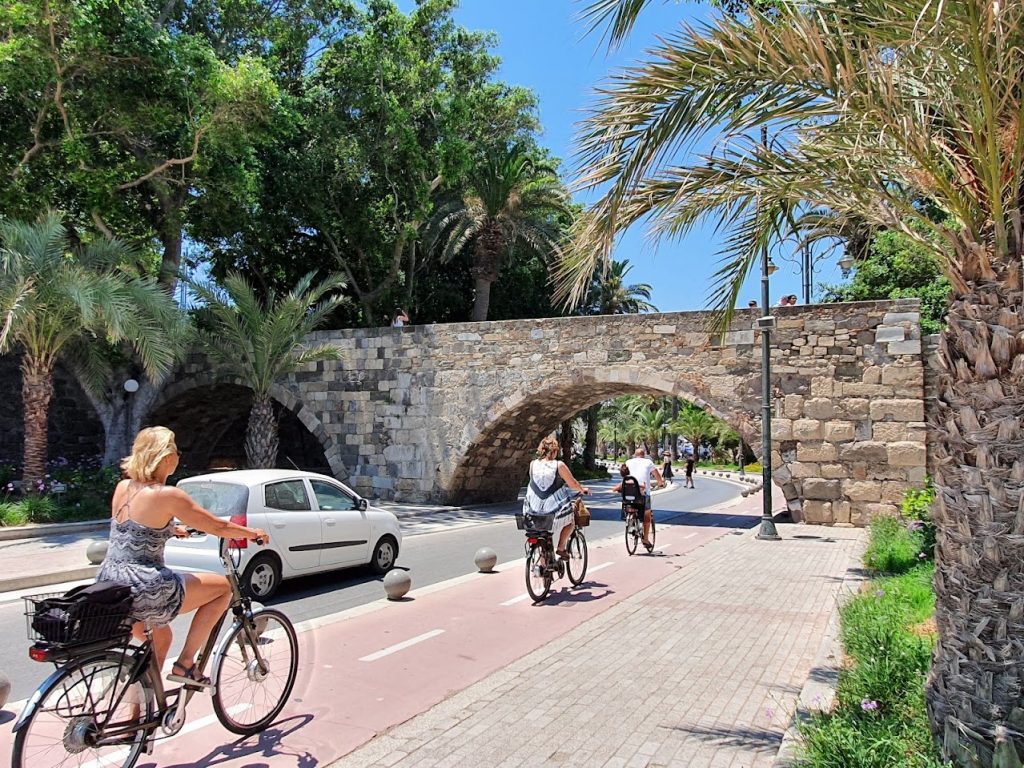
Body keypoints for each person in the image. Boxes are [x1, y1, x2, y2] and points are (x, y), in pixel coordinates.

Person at [98, 426, 268, 685]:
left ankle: (140, 713)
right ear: (166, 458)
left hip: (111, 581)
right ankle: (186, 664)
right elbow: (217, 526)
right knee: (224, 588)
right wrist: (251, 532)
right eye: (177, 451)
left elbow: (133, 529)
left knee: (161, 639)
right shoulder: (168, 495)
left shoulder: (123, 487)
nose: (179, 456)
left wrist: (169, 529)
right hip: (144, 584)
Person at [523, 435, 590, 560]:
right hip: (551, 510)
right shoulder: (559, 465)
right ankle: (561, 548)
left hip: (532, 510)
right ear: (554, 451)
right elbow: (573, 484)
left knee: (541, 531)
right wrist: (582, 489)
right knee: (571, 522)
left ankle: (542, 565)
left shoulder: (532, 464)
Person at [624, 448, 664, 549]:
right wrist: (660, 483)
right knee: (647, 515)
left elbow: (623, 473)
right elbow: (657, 475)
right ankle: (645, 539)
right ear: (644, 455)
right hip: (643, 494)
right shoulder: (648, 462)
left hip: (628, 493)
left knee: (630, 505)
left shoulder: (628, 462)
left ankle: (631, 521)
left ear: (634, 455)